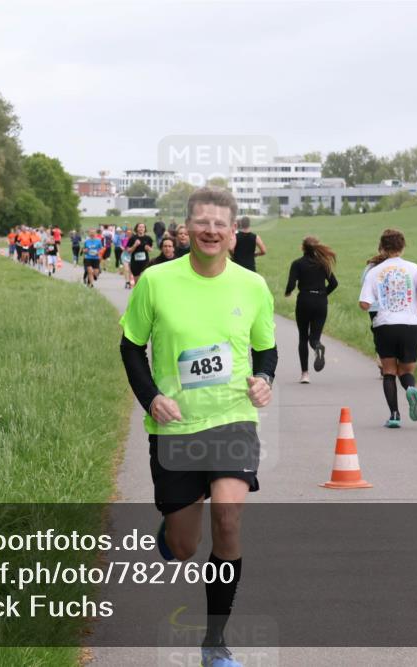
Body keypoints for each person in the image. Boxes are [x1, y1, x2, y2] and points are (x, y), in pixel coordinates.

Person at [119, 186, 276, 667]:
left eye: (219, 224)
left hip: (232, 419)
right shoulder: (156, 281)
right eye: (202, 222)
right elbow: (131, 346)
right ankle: (172, 532)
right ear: (187, 228)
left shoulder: (252, 286)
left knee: (228, 518)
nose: (211, 230)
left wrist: (264, 380)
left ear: (233, 234)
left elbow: (266, 349)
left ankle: (215, 643)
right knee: (185, 546)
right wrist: (152, 397)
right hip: (175, 427)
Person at [358, 228, 417, 428]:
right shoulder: (413, 268)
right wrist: (416, 310)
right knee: (406, 371)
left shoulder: (374, 271)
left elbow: (364, 304)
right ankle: (410, 389)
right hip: (411, 324)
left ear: (382, 247)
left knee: (389, 371)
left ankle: (394, 416)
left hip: (385, 325)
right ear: (403, 247)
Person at [285, 236, 338, 384]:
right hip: (320, 302)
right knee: (314, 338)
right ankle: (318, 347)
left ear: (302, 248)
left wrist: (287, 292)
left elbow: (291, 284)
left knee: (303, 337)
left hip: (304, 301)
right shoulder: (323, 263)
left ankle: (305, 374)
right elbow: (334, 283)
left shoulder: (297, 264)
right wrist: (323, 294)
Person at [362, 248, 387, 376]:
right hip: (390, 305)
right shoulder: (394, 265)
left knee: (378, 332)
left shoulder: (370, 267)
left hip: (374, 306)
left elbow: (363, 282)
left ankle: (381, 358)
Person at [125, 222, 153, 287]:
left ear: (145, 229)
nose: (141, 228)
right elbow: (128, 251)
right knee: (137, 284)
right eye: (140, 227)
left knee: (144, 282)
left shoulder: (148, 238)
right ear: (137, 229)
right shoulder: (132, 238)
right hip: (135, 263)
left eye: (143, 227)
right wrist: (134, 245)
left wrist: (148, 248)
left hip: (145, 262)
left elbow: (151, 249)